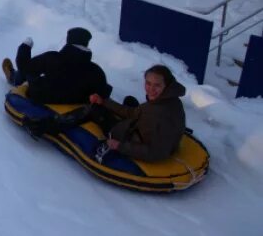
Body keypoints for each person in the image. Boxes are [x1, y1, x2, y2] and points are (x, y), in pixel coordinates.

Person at [21, 64, 186, 163]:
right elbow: (135, 113)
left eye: (156, 85)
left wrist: (119, 145)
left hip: (128, 138)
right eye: (148, 83)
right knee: (126, 101)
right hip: (137, 128)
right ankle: (100, 105)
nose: (150, 89)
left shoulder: (161, 115)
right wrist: (104, 101)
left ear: (167, 85)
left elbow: (156, 152)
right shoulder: (169, 101)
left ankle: (43, 126)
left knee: (93, 110)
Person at [2, 27, 112, 105]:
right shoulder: (96, 71)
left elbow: (25, 66)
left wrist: (25, 47)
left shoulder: (52, 58)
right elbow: (103, 92)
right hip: (75, 105)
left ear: (69, 41)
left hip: (44, 97)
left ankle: (14, 77)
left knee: (28, 72)